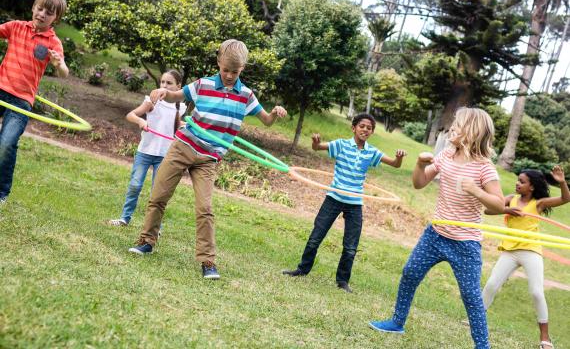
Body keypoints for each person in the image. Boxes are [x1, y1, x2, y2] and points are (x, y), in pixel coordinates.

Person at [127, 39, 287, 280]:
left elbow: (265, 120)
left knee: (205, 208)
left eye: (235, 71)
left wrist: (275, 113)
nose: (230, 75)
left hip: (209, 157)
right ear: (218, 62)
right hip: (183, 146)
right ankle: (147, 241)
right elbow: (175, 96)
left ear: (242, 68)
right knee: (158, 196)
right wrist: (163, 92)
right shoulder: (204, 84)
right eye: (226, 70)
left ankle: (208, 261)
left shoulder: (246, 95)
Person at [369, 107, 504, 349]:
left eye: (457, 124)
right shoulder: (446, 156)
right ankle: (397, 322)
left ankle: (482, 346)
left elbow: (499, 204)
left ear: (472, 130)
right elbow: (419, 183)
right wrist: (420, 165)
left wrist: (476, 190)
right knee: (410, 274)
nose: (452, 127)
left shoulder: (485, 167)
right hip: (435, 234)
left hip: (465, 242)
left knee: (471, 296)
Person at [282, 113, 407, 293]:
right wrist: (316, 141)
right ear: (354, 128)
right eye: (362, 126)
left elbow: (395, 164)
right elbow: (317, 147)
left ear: (371, 132)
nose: (365, 129)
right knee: (315, 237)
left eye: (369, 128)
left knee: (350, 247)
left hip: (355, 202)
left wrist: (399, 157)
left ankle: (342, 282)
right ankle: (302, 269)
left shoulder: (372, 152)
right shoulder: (341, 145)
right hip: (334, 198)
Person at [482, 166, 570, 349]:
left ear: (531, 187)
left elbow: (565, 199)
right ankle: (476, 319)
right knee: (491, 284)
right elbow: (488, 210)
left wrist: (562, 182)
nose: (517, 183)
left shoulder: (539, 204)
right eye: (518, 180)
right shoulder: (510, 199)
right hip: (510, 250)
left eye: (522, 181)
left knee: (536, 292)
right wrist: (507, 210)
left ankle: (545, 337)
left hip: (530, 251)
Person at [0, 0, 69, 205]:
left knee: (7, 144)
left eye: (49, 13)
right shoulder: (16, 27)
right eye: (40, 9)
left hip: (22, 101)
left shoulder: (53, 43)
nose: (42, 14)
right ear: (33, 7)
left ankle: (1, 192)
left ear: (55, 18)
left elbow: (64, 73)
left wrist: (58, 64)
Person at [108, 70, 187, 227]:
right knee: (135, 185)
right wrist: (140, 122)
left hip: (164, 155)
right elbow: (131, 115)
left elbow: (177, 127)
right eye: (162, 82)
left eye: (169, 83)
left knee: (157, 193)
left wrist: (185, 126)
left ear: (178, 86)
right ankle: (125, 218)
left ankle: (154, 227)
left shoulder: (179, 106)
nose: (164, 85)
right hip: (145, 151)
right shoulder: (152, 102)